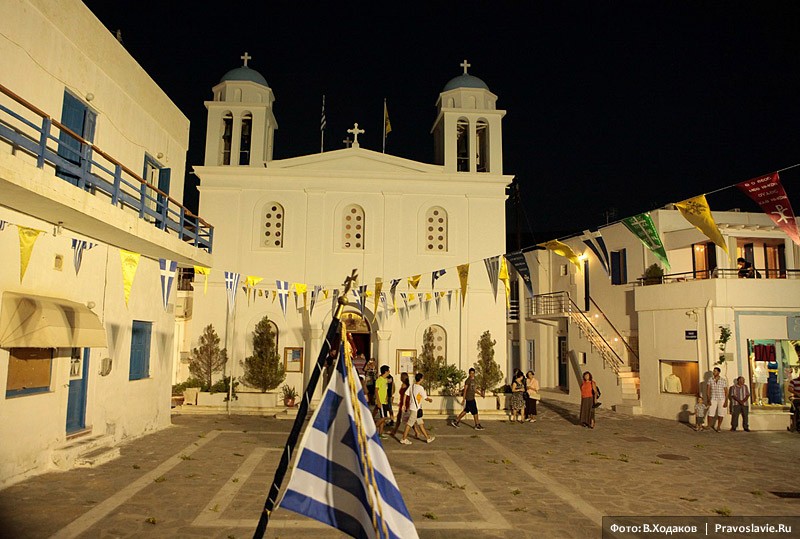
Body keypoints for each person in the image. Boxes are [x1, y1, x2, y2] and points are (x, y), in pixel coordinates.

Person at [400, 372, 435, 445]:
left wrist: (403, 404)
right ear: (421, 379)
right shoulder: (420, 388)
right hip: (416, 409)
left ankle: (428, 438)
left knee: (420, 423)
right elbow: (425, 398)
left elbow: (406, 394)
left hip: (413, 408)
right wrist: (430, 400)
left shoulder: (412, 386)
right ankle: (404, 438)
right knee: (409, 424)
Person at [390, 372, 422, 438]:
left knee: (407, 420)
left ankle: (415, 432)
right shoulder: (405, 385)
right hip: (402, 403)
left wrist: (404, 404)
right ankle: (394, 431)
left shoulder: (405, 386)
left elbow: (406, 396)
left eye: (401, 377)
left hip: (405, 404)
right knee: (404, 419)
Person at [706, 367, 728, 432]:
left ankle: (718, 426)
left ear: (718, 372)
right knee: (710, 412)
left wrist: (726, 401)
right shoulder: (710, 380)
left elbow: (726, 391)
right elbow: (708, 390)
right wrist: (708, 398)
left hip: (721, 398)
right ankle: (709, 425)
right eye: (713, 371)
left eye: (715, 371)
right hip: (713, 398)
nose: (714, 372)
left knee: (721, 413)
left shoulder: (723, 380)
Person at [374, 365, 391, 438]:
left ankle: (380, 433)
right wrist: (378, 401)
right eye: (388, 371)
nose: (389, 372)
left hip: (384, 401)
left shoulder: (385, 380)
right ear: (385, 371)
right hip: (380, 401)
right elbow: (376, 390)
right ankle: (372, 429)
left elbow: (385, 391)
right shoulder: (379, 380)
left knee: (383, 418)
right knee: (384, 417)